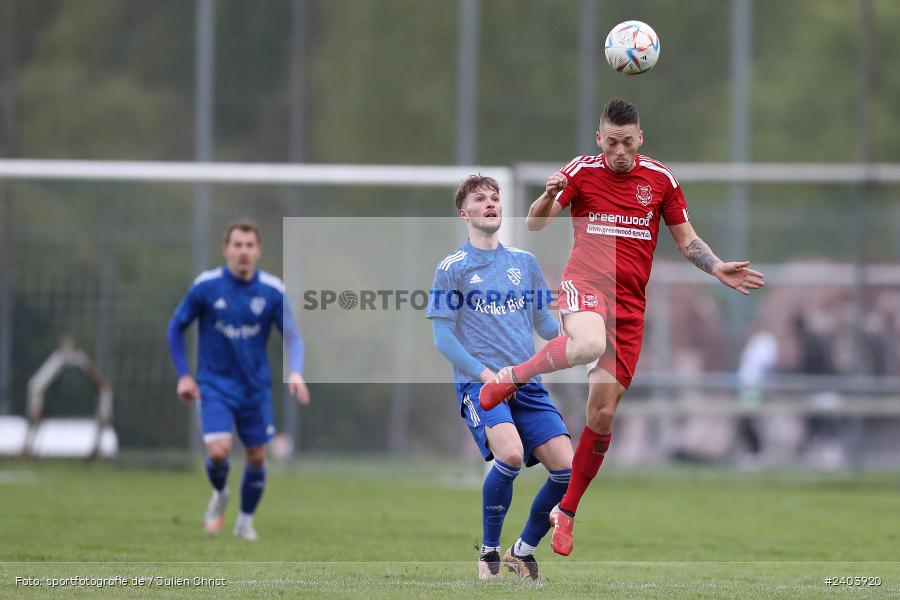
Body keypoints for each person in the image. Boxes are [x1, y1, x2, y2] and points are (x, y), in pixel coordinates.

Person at [480, 99, 765, 556]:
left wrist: (715, 268)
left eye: (627, 143)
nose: (618, 151)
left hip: (630, 306)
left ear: (640, 139)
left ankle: (566, 512)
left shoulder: (660, 180)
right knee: (587, 341)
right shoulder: (580, 171)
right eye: (611, 142)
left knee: (603, 415)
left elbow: (687, 240)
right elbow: (534, 224)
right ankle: (514, 376)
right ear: (599, 139)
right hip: (585, 285)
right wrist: (550, 194)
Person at [427, 175, 573, 581]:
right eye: (480, 198)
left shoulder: (524, 264)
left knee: (566, 469)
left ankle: (521, 551)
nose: (490, 203)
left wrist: (577, 322)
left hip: (527, 385)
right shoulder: (452, 268)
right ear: (465, 213)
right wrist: (488, 375)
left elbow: (546, 326)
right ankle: (488, 552)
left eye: (495, 198)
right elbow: (442, 337)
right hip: (481, 386)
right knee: (509, 454)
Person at [167, 219, 310, 540]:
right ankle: (219, 494)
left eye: (249, 246)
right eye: (237, 245)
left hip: (254, 388)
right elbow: (175, 327)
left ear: (258, 251)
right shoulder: (206, 286)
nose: (243, 252)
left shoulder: (272, 291)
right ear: (226, 249)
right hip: (215, 384)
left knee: (257, 456)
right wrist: (183, 376)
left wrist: (296, 370)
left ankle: (245, 521)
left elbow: (292, 336)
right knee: (218, 452)